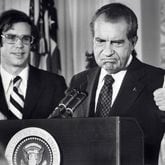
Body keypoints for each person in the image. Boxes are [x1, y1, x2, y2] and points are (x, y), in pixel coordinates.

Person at [69, 3, 165, 165]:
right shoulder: (79, 81)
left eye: (117, 43)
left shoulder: (158, 80)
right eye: (100, 41)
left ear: (133, 42)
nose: (107, 51)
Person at [0, 9, 67, 119]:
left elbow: (65, 131)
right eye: (11, 37)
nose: (19, 45)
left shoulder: (54, 84)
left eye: (25, 38)